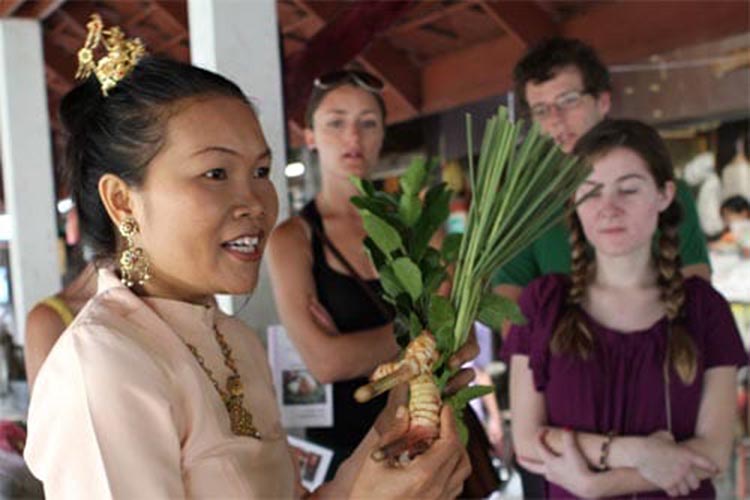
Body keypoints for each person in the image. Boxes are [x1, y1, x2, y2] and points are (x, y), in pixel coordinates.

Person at [24, 18, 470, 498]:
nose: (256, 201)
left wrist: (394, 419)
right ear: (122, 202)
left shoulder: (235, 341)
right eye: (215, 172)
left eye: (260, 170)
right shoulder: (104, 365)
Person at [503, 119, 746, 498]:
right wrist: (638, 452)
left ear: (665, 195)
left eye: (628, 189)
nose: (608, 209)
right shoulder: (542, 303)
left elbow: (713, 452)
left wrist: (599, 484)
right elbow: (530, 443)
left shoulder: (703, 308)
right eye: (592, 192)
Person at [267, 69, 483, 485]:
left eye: (368, 123)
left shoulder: (419, 222)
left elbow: (462, 336)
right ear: (309, 135)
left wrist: (366, 348)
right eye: (336, 122)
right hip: (348, 449)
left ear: (383, 134)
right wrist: (421, 334)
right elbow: (326, 363)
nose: (353, 136)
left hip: (432, 430)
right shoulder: (294, 239)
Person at [493, 37, 711, 310]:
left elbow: (699, 294)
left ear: (603, 101)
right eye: (540, 109)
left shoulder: (662, 190)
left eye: (568, 100)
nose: (555, 119)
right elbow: (508, 305)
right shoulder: (522, 204)